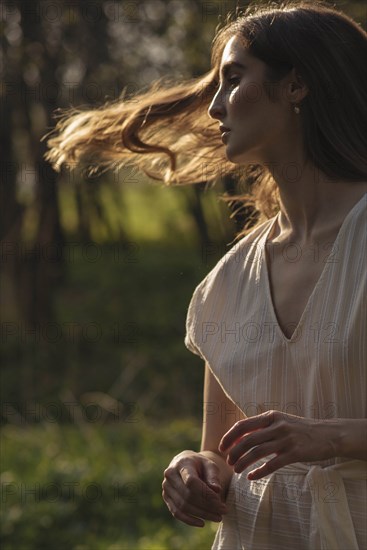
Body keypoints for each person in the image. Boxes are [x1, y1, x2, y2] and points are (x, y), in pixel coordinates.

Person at [44, 1, 367, 548]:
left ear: (297, 85)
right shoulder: (227, 283)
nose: (215, 107)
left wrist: (331, 437)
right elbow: (219, 448)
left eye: (233, 79)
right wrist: (193, 469)